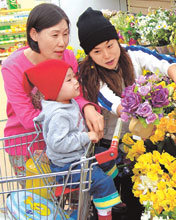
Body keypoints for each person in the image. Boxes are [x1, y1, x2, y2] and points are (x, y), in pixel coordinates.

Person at [76, 7, 176, 219]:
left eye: (109, 45)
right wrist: (137, 109)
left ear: (116, 40)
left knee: (138, 196)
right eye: (96, 51)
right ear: (89, 54)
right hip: (107, 146)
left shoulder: (132, 54)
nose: (106, 55)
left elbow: (164, 62)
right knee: (112, 201)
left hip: (139, 141)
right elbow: (111, 102)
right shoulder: (90, 74)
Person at [1, 3, 103, 178]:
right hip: (29, 147)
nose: (62, 42)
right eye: (54, 35)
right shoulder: (13, 66)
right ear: (34, 34)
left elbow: (75, 95)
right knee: (39, 204)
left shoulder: (67, 57)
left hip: (66, 148)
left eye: (65, 34)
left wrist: (88, 108)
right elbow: (27, 118)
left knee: (73, 200)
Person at [24, 59, 120, 220]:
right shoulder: (58, 115)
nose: (76, 82)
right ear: (53, 88)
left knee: (107, 159)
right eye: (69, 80)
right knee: (101, 182)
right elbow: (59, 143)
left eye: (74, 77)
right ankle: (105, 211)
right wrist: (87, 136)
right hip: (67, 168)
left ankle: (108, 198)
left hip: (78, 157)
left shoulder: (69, 102)